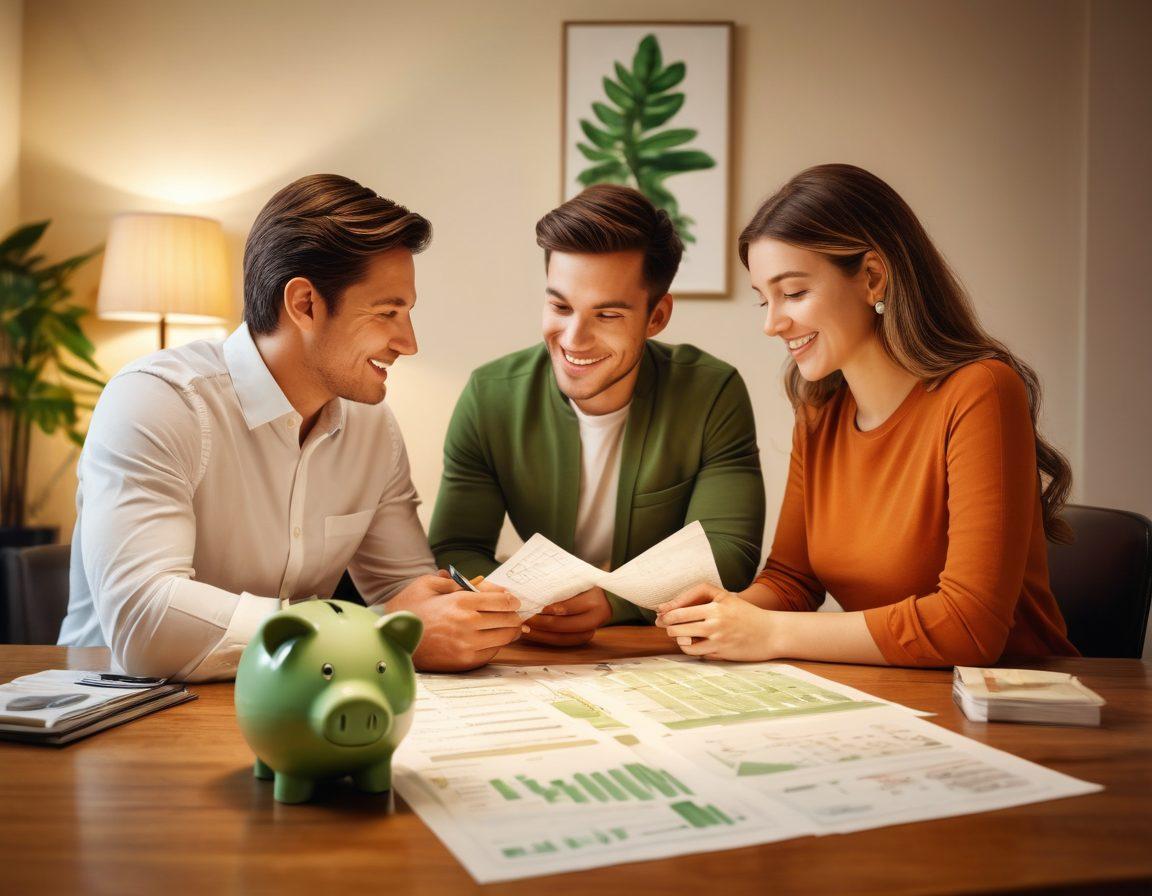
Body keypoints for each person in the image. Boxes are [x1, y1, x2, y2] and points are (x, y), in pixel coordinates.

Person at [58, 174, 521, 679]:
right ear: (304, 304)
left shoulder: (373, 429)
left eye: (407, 312)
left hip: (298, 699)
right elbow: (144, 624)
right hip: (117, 710)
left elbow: (405, 600)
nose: (408, 343)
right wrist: (372, 631)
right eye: (388, 312)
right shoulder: (156, 401)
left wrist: (460, 619)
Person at [657, 164, 1078, 666]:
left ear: (873, 278)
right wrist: (725, 612)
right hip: (898, 697)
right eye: (764, 300)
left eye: (792, 293)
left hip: (1009, 710)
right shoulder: (819, 412)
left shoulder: (980, 391)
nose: (773, 324)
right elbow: (792, 581)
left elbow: (970, 626)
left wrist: (769, 633)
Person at [428, 184, 765, 646]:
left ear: (657, 316)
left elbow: (729, 550)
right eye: (560, 306)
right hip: (528, 646)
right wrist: (517, 603)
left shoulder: (712, 391)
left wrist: (613, 602)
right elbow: (456, 547)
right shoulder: (489, 396)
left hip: (660, 646)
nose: (574, 338)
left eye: (606, 315)